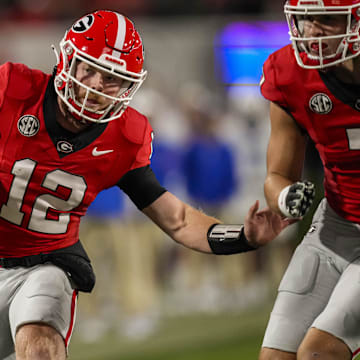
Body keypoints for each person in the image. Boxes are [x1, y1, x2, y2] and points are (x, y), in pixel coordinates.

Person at [0, 10, 291, 359]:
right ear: (66, 61)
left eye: (110, 78)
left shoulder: (124, 137)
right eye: (88, 68)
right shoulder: (11, 90)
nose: (94, 85)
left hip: (43, 264)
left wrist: (241, 237)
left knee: (40, 343)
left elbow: (178, 220)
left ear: (128, 86)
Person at [259, 1, 360, 359]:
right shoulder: (288, 72)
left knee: (320, 352)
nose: (314, 31)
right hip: (336, 225)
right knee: (275, 356)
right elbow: (276, 175)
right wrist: (285, 197)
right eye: (307, 19)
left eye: (329, 19)